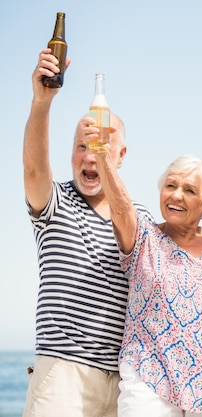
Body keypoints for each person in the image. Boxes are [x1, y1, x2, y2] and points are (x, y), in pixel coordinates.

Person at [21, 49, 151, 417]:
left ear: (120, 155)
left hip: (123, 383)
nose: (90, 157)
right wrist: (42, 103)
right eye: (82, 147)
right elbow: (33, 168)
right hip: (64, 374)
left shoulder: (137, 217)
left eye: (101, 147)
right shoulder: (56, 201)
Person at [93, 151, 202, 417]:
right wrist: (102, 156)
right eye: (170, 185)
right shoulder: (144, 238)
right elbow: (121, 207)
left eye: (190, 190)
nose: (176, 195)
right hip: (149, 376)